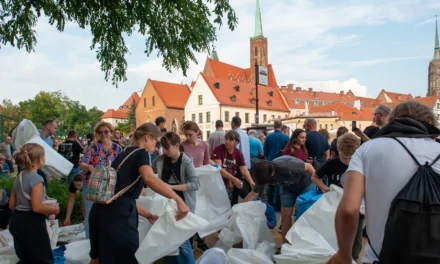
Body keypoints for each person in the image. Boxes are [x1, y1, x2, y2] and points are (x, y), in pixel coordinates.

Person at [328, 101, 440, 264]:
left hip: (380, 258)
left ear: (392, 120)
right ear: (430, 123)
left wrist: (344, 255)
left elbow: (348, 210)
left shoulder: (367, 150)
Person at [89, 123, 189, 264]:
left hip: (99, 212)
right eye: (156, 141)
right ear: (148, 137)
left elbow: (121, 196)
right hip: (118, 219)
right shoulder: (142, 153)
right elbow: (149, 178)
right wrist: (178, 199)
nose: (157, 146)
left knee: (97, 260)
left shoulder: (124, 153)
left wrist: (148, 214)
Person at [311, 133, 362, 261]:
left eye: (351, 158)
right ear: (339, 152)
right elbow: (315, 177)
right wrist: (324, 188)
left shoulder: (361, 164)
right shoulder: (332, 163)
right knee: (335, 236)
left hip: (357, 209)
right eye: (345, 158)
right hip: (334, 207)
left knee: (355, 237)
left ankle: (353, 258)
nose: (348, 161)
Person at [244, 156, 316, 243]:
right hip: (287, 186)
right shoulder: (262, 176)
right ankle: (285, 244)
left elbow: (308, 166)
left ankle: (304, 243)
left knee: (304, 212)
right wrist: (237, 210)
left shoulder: (285, 166)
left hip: (306, 183)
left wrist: (319, 184)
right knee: (285, 212)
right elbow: (253, 194)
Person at [9, 143, 60, 263]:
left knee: (26, 258)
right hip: (31, 223)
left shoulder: (20, 176)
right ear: (38, 159)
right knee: (43, 259)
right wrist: (54, 209)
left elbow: (11, 204)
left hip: (16, 220)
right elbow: (36, 207)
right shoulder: (37, 178)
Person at [153, 132, 199, 263]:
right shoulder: (160, 160)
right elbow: (151, 177)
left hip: (184, 205)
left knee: (184, 241)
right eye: (163, 147)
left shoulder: (186, 160)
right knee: (169, 239)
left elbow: (196, 184)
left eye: (167, 147)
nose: (165, 150)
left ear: (177, 145)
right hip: (167, 205)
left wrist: (171, 188)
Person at [79, 121, 123, 239]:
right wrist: (88, 166)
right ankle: (89, 241)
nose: (103, 134)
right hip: (91, 184)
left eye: (106, 131)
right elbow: (82, 163)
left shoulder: (117, 148)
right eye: (100, 132)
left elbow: (121, 166)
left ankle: (104, 240)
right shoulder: (94, 147)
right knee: (90, 213)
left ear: (111, 132)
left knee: (108, 213)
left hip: (109, 185)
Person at [212, 131, 255, 206]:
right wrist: (232, 179)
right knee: (220, 204)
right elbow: (218, 169)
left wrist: (251, 182)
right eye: (226, 139)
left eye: (230, 140)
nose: (227, 141)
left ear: (236, 142)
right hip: (218, 181)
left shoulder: (238, 153)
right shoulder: (218, 149)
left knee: (242, 190)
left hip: (232, 179)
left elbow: (244, 170)